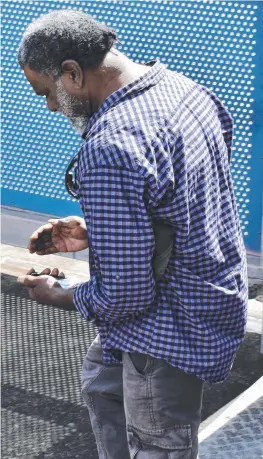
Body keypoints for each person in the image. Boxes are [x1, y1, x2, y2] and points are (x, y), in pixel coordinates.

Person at [17, 9, 248, 459]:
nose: (49, 107)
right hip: (211, 294)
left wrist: (59, 292)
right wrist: (101, 228)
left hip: (167, 325)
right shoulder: (186, 92)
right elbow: (188, 193)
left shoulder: (110, 146)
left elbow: (125, 296)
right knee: (102, 385)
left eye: (48, 93)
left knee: (158, 443)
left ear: (72, 73)